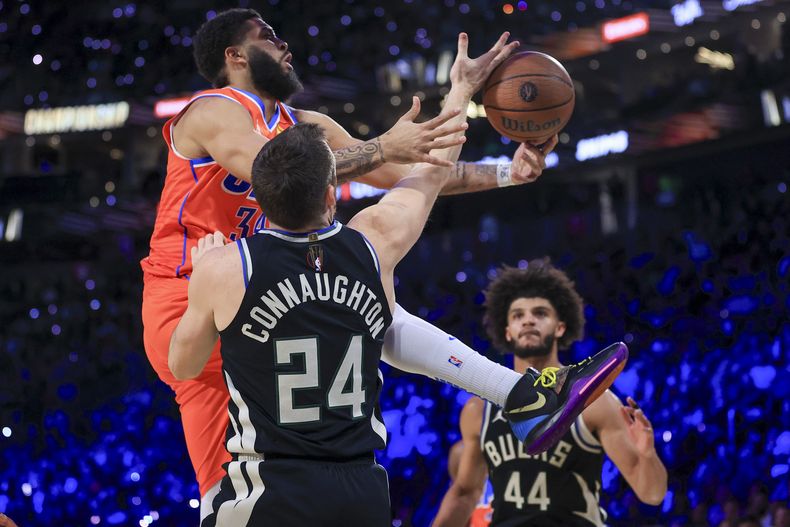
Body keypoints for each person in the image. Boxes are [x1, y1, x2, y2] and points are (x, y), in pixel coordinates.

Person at [140, 7, 603, 520]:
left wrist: (506, 171)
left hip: (261, 283)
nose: (284, 45)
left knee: (223, 494)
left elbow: (417, 173)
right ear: (235, 56)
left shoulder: (307, 125)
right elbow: (273, 172)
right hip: (191, 292)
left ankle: (523, 398)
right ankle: (520, 395)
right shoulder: (211, 110)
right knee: (368, 305)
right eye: (268, 36)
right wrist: (385, 144)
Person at [434, 261, 667, 527]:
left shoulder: (594, 399)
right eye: (518, 315)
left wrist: (647, 455)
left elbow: (652, 493)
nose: (528, 320)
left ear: (560, 327)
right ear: (507, 331)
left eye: (540, 313)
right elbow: (465, 493)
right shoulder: (479, 410)